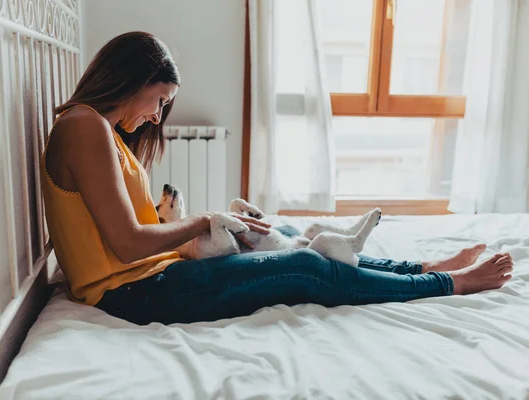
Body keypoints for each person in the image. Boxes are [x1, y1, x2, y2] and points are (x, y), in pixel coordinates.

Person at [41, 32, 514, 326]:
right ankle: (448, 284)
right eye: (159, 99)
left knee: (287, 236)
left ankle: (421, 269)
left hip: (155, 277)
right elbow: (127, 245)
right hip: (134, 293)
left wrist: (214, 231)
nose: (157, 115)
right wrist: (205, 220)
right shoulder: (84, 127)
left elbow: (133, 234)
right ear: (130, 79)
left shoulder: (99, 131)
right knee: (304, 268)